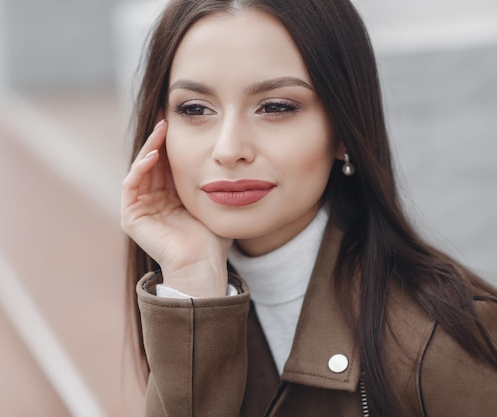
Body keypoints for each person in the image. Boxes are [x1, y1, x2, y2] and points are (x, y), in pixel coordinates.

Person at [120, 1, 497, 416]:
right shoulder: (182, 293)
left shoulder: (447, 337)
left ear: (343, 128)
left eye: (276, 107)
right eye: (194, 109)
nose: (229, 150)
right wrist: (191, 280)